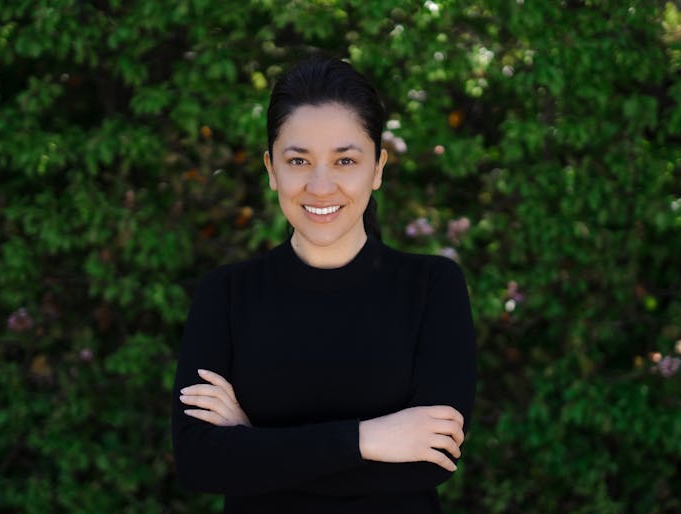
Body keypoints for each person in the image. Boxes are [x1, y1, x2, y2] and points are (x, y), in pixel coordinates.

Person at [171, 56, 477, 514]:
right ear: (272, 168)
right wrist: (370, 439)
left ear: (377, 168)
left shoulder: (432, 287)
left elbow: (429, 464)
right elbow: (199, 462)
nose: (320, 185)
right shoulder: (227, 294)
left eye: (345, 160)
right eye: (298, 160)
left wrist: (254, 444)